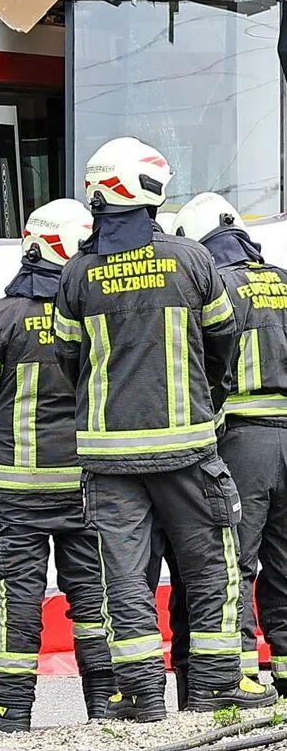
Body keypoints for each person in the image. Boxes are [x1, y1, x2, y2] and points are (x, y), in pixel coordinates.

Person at [54, 138, 274, 720]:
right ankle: (212, 697)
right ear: (153, 192)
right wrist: (206, 399)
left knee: (124, 586)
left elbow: (67, 360)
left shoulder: (77, 275)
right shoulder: (193, 261)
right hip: (190, 455)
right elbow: (224, 341)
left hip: (108, 463)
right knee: (211, 576)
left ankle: (144, 702)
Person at [0, 199, 116, 733]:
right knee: (93, 595)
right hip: (87, 485)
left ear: (33, 245)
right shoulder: (94, 311)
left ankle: (9, 706)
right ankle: (108, 707)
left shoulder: (3, 317)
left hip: (20, 488)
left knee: (17, 595)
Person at [175, 192, 287, 695]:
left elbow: (205, 368)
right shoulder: (283, 281)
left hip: (243, 439)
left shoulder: (218, 287)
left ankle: (241, 669)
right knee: (285, 560)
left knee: (234, 558)